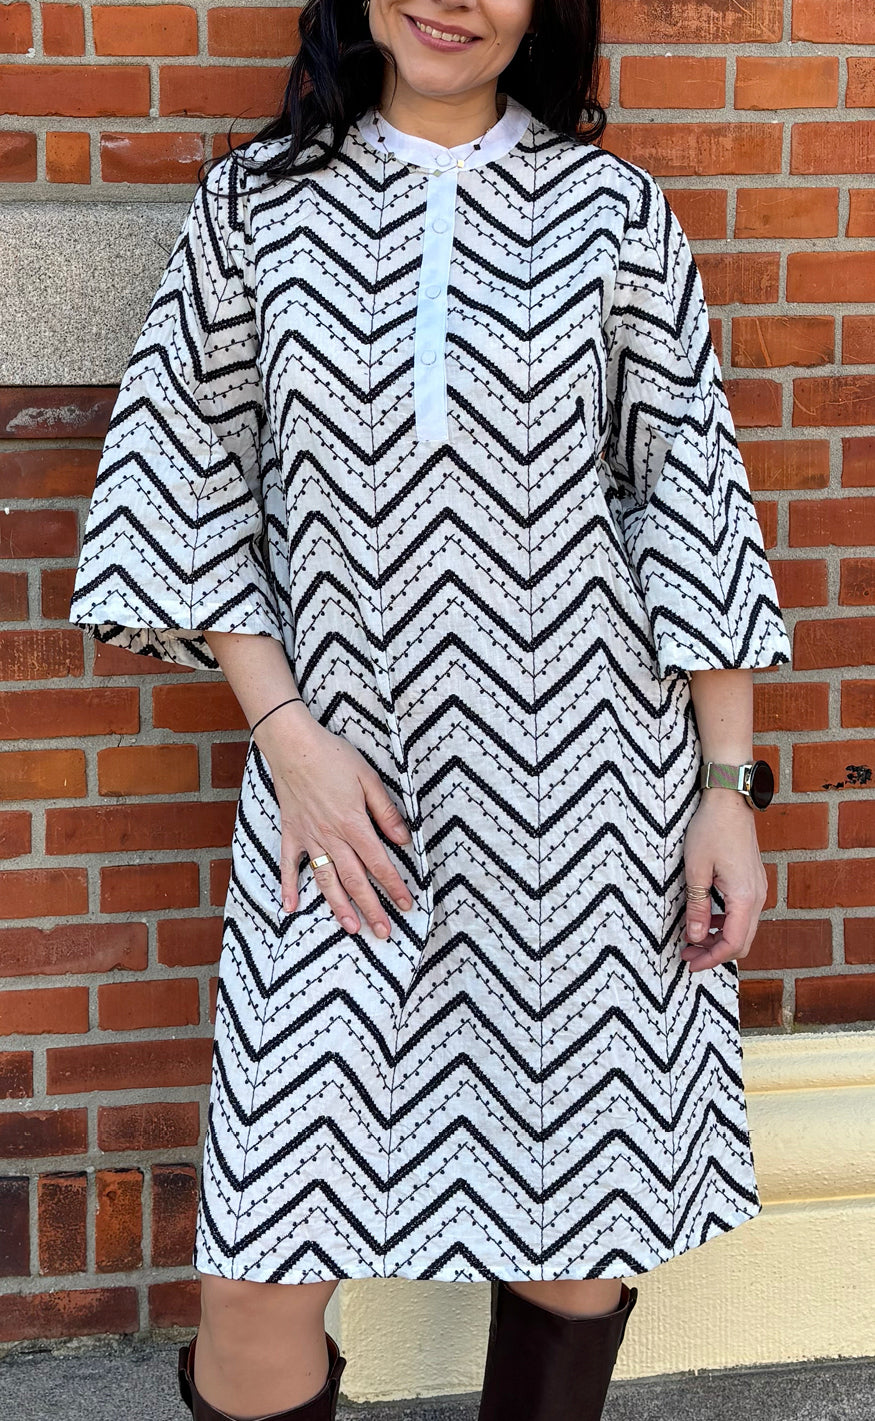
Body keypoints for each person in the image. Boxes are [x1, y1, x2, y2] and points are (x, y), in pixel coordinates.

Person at [69, 0, 794, 1416]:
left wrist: (727, 790)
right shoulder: (253, 208)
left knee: (580, 1231)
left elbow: (690, 501)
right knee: (258, 1269)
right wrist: (287, 739)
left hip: (589, 799)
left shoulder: (615, 213)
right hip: (343, 796)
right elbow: (189, 473)